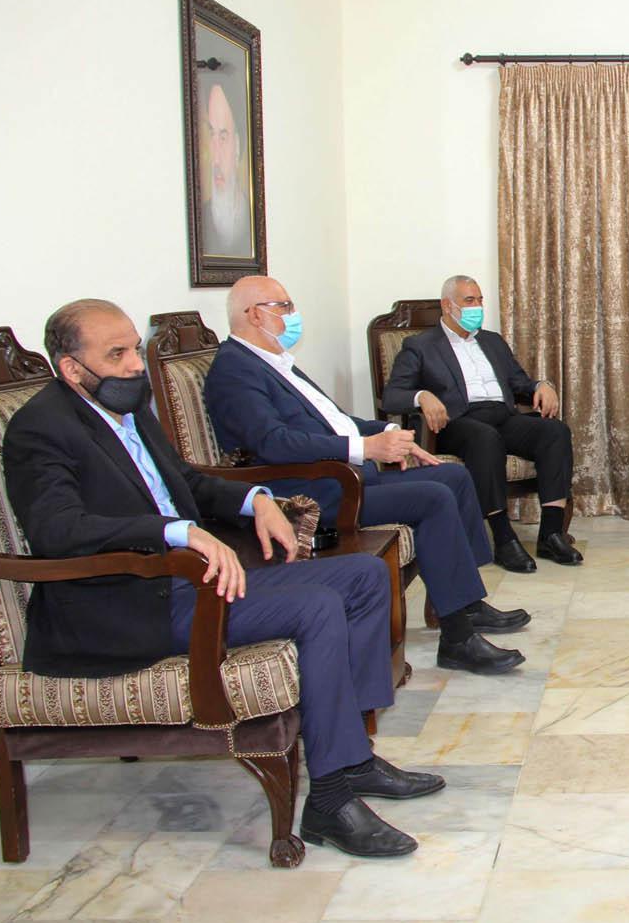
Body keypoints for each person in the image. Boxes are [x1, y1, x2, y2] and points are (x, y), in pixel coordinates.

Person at [5, 299, 438, 858]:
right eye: (117, 355)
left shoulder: (127, 409)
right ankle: (330, 800)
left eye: (134, 348)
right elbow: (57, 530)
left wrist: (257, 498)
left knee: (362, 575)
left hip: (189, 583)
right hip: (127, 604)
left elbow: (186, 481)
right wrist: (177, 532)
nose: (135, 364)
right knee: (315, 606)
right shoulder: (42, 428)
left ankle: (351, 758)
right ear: (71, 368)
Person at [203, 276, 530, 675]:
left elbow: (335, 420)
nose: (293, 315)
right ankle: (457, 639)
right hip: (311, 492)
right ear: (254, 315)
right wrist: (365, 448)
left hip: (341, 476)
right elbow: (273, 443)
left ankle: (466, 603)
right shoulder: (235, 370)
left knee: (453, 478)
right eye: (284, 307)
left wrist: (390, 433)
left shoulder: (276, 361)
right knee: (434, 497)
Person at [381, 275, 581, 572]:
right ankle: (503, 538)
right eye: (469, 300)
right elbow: (391, 396)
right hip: (457, 422)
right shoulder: (421, 346)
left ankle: (551, 534)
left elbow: (519, 383)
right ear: (447, 305)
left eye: (480, 300)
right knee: (485, 438)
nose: (477, 306)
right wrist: (422, 396)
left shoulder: (492, 341)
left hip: (502, 416)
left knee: (555, 431)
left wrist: (543, 385)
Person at [200, 83, 253, 257]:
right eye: (211, 135)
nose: (215, 159)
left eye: (223, 138)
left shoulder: (253, 221)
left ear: (237, 147)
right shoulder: (200, 219)